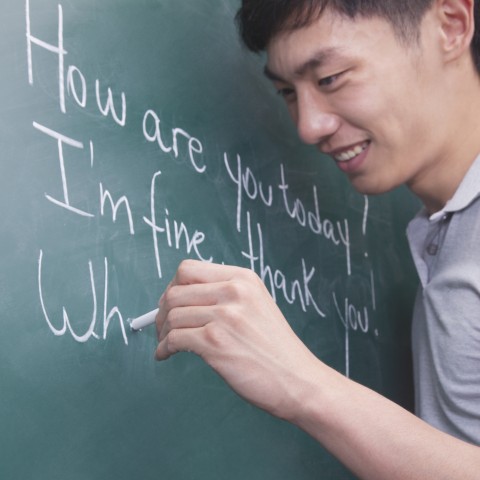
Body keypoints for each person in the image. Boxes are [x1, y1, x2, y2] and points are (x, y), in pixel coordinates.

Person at [154, 0, 480, 478]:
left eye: (331, 78)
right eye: (288, 92)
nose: (309, 126)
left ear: (450, 25)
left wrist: (302, 383)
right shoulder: (446, 227)